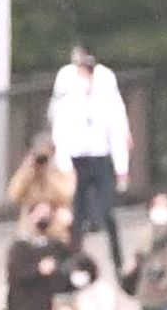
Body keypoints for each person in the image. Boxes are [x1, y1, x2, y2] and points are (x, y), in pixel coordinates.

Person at [48, 45, 131, 268]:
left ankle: (118, 262)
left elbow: (116, 128)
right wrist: (63, 166)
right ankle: (72, 263)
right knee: (76, 216)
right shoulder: (67, 84)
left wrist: (122, 168)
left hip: (100, 157)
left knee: (108, 212)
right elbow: (60, 128)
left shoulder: (105, 85)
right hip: (76, 160)